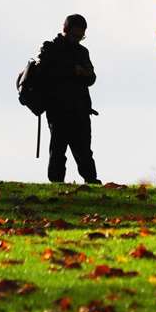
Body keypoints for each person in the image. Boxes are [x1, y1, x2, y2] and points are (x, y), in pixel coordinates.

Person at [38, 14, 99, 184]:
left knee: (84, 151)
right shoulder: (50, 49)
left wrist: (84, 73)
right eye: (75, 35)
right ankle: (57, 183)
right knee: (58, 150)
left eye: (81, 37)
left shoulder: (82, 51)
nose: (78, 39)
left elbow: (91, 78)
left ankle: (91, 181)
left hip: (80, 109)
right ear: (65, 29)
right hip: (57, 109)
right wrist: (73, 71)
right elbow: (46, 74)